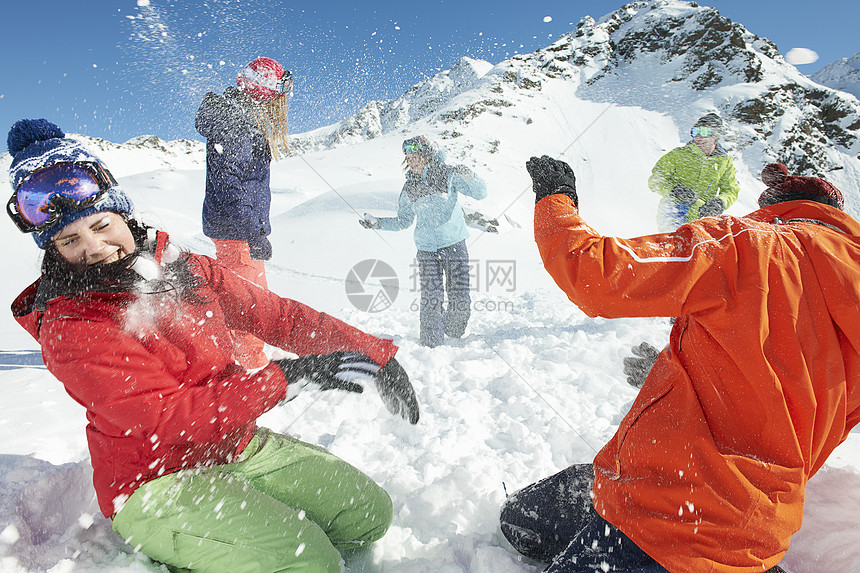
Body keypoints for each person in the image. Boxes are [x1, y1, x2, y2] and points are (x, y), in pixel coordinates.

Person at [7, 119, 420, 573]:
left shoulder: (186, 269)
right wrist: (287, 378)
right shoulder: (72, 324)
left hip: (233, 447)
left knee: (367, 515)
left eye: (102, 224)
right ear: (53, 249)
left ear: (122, 213)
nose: (95, 246)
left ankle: (238, 520)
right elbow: (165, 420)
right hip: (156, 481)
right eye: (70, 240)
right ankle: (162, 543)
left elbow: (278, 316)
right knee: (306, 560)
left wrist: (377, 354)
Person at [500, 154, 860, 572]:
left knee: (520, 527)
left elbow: (596, 276)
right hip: (752, 520)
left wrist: (555, 199)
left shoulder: (747, 244)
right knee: (521, 519)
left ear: (773, 209)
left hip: (669, 519)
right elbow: (802, 393)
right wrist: (678, 366)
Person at [195, 56, 292, 369]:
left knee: (255, 297)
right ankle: (249, 366)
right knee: (247, 302)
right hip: (238, 232)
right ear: (263, 89)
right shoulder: (237, 123)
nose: (280, 99)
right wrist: (253, 231)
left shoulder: (239, 117)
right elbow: (230, 185)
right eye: (277, 89)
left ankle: (249, 354)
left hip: (240, 230)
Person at [359, 136, 487, 347]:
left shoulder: (447, 175)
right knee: (431, 298)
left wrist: (471, 176)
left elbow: (481, 193)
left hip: (454, 244)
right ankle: (430, 344)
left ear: (428, 156)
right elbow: (403, 221)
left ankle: (454, 336)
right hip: (426, 250)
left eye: (416, 156)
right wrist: (378, 223)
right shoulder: (409, 187)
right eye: (408, 157)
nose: (411, 161)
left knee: (459, 296)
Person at [648, 113, 740, 232]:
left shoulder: (724, 162)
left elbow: (731, 190)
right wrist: (674, 190)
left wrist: (720, 202)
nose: (698, 137)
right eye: (695, 132)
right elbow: (655, 180)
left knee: (699, 246)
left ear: (716, 135)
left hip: (702, 211)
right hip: (675, 208)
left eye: (704, 132)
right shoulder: (679, 155)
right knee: (675, 242)